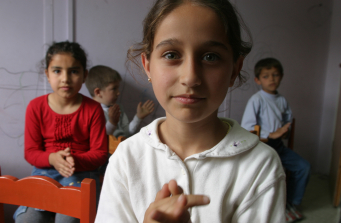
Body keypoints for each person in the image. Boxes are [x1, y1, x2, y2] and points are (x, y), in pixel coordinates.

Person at [95, 1, 286, 222]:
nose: (190, 77)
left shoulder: (260, 166)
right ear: (148, 66)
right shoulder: (126, 158)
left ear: (234, 70)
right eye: (171, 55)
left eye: (210, 57)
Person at [14, 41, 108, 223]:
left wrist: (74, 160)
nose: (65, 78)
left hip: (82, 175)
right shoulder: (36, 107)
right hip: (44, 174)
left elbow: (100, 154)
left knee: (67, 220)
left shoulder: (93, 109)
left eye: (74, 71)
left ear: (84, 75)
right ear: (47, 74)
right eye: (57, 71)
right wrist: (52, 159)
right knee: (26, 220)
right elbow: (31, 152)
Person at [241, 57, 310, 222]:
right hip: (263, 148)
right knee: (273, 176)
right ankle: (271, 207)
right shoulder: (257, 100)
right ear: (258, 80)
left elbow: (287, 121)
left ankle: (290, 203)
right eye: (266, 76)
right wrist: (270, 134)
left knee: (303, 167)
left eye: (275, 75)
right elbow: (247, 127)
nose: (271, 79)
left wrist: (285, 132)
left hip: (279, 147)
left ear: (281, 77)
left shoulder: (282, 100)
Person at [85, 65, 155, 138]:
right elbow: (99, 138)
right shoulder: (89, 112)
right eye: (114, 88)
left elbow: (127, 133)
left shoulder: (118, 108)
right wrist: (112, 122)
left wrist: (138, 117)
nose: (118, 93)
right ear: (98, 92)